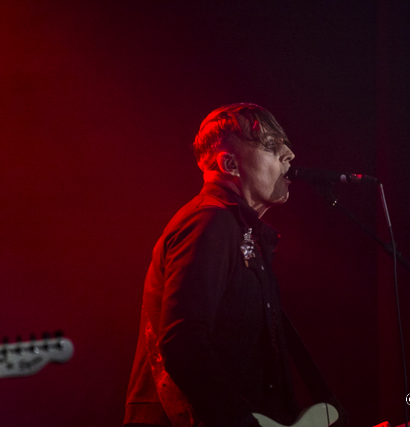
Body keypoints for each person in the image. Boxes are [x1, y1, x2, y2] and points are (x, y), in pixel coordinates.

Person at [124, 103, 299, 427]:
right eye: (271, 146)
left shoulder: (242, 232)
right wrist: (237, 420)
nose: (289, 154)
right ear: (230, 164)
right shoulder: (209, 221)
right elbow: (183, 341)